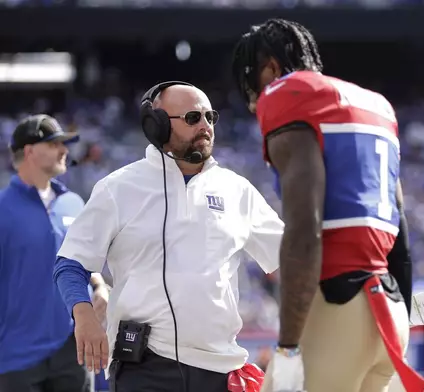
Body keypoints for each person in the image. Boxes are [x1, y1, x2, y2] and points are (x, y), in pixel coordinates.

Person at [232, 19, 424, 392]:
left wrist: (288, 347)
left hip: (336, 309)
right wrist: (400, 325)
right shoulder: (375, 105)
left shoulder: (287, 94)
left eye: (252, 85)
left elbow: (305, 229)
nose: (253, 101)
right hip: (387, 308)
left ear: (271, 69)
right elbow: (401, 237)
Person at [53, 82, 282, 392]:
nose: (205, 126)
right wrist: (83, 316)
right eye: (192, 117)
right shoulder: (117, 188)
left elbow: (291, 255)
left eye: (209, 117)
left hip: (220, 368)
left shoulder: (237, 190)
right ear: (156, 124)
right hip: (145, 364)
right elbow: (70, 263)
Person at [0, 114, 108, 392]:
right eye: (55, 144)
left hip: (72, 350)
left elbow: (81, 261)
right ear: (30, 151)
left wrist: (98, 284)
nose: (65, 150)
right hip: (15, 355)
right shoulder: (2, 208)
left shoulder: (73, 203)